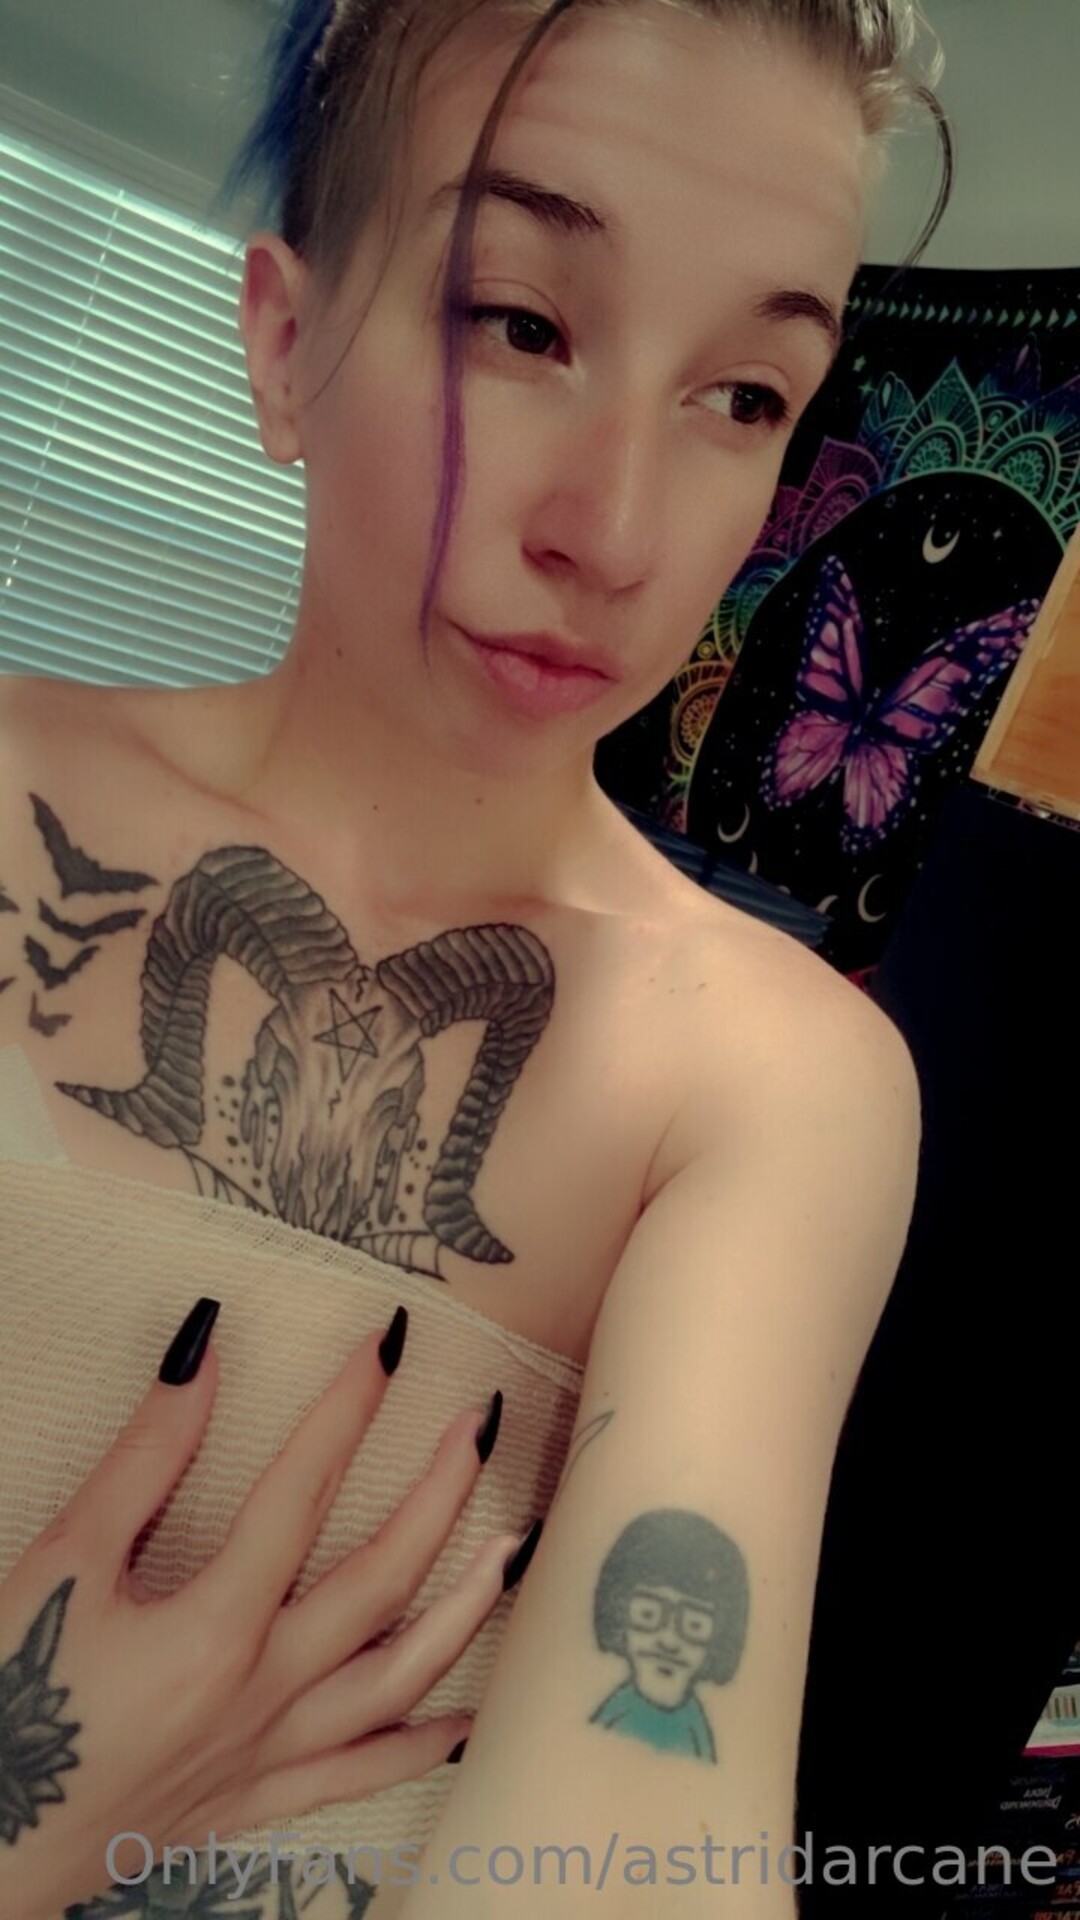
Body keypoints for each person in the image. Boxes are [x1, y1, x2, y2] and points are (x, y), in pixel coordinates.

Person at [0, 0, 951, 1913]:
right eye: (521, 323)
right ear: (284, 341)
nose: (618, 532)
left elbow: (652, 1843)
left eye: (743, 397)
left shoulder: (769, 1082)